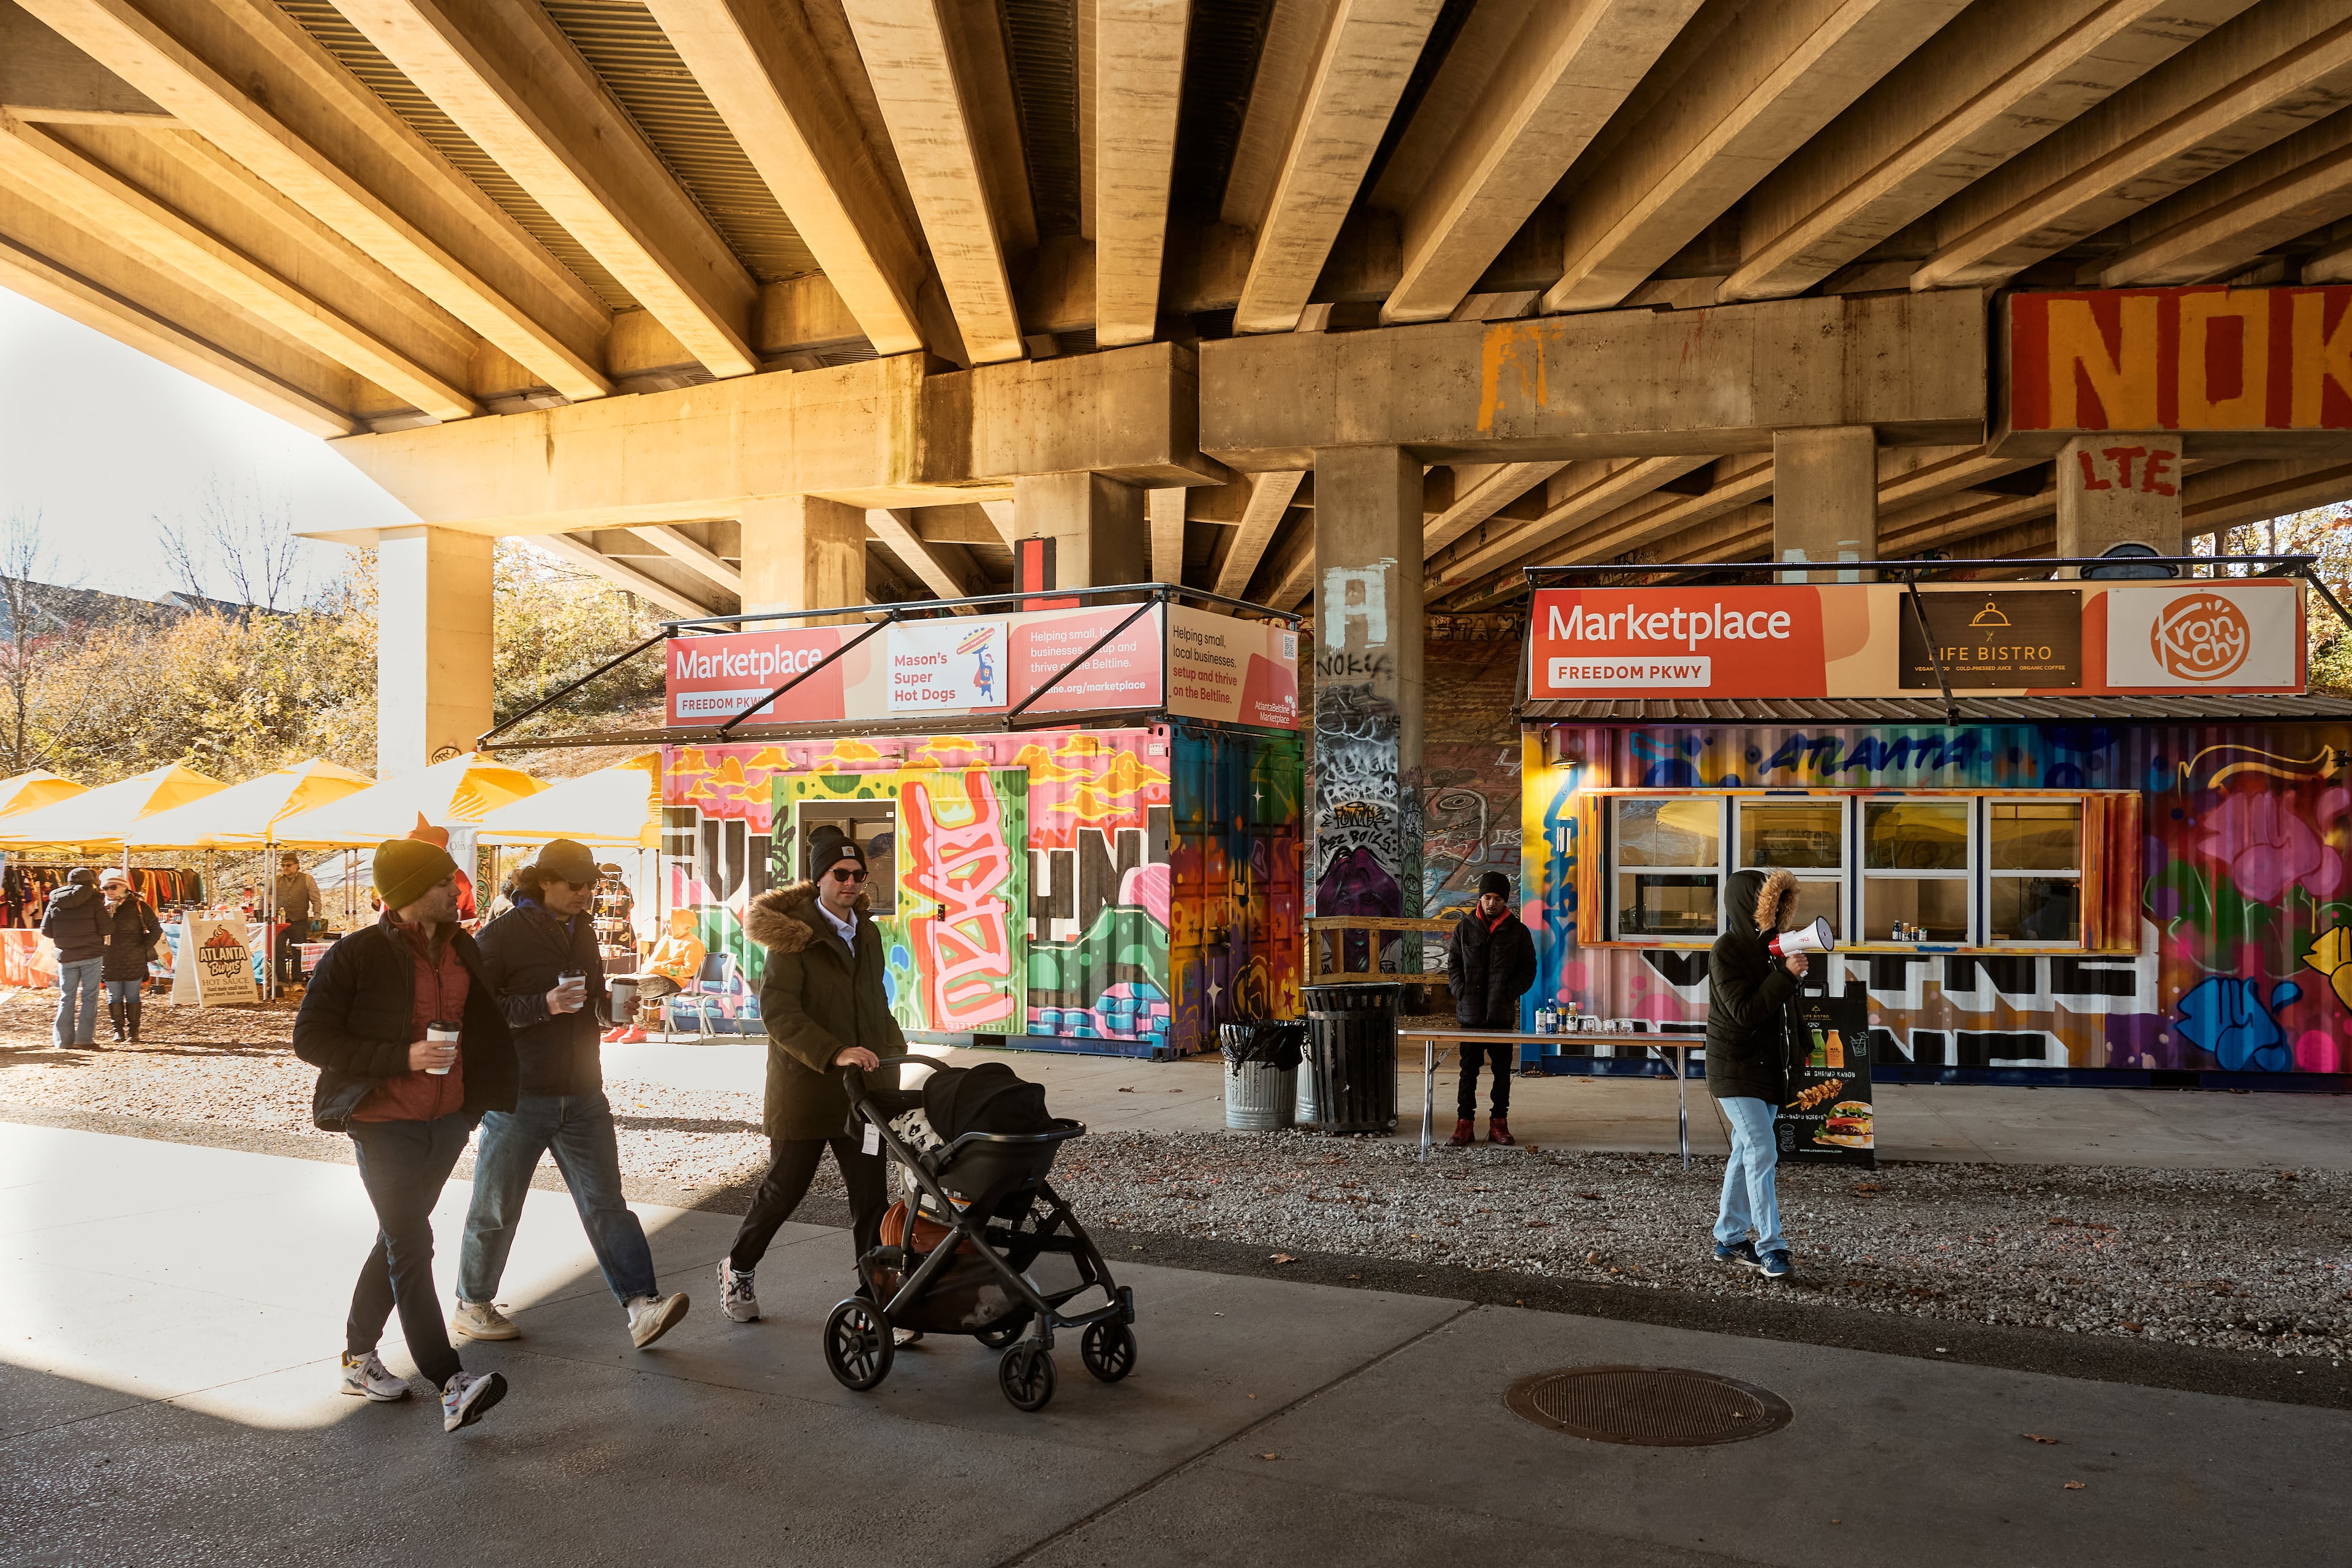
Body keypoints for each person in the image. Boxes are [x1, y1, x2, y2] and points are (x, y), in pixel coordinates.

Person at [293, 837, 518, 1433]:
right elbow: (311, 1039)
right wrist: (405, 1056)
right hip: (382, 1124)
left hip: (445, 1126)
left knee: (397, 1243)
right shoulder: (357, 955)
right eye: (446, 881)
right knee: (412, 1246)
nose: (457, 889)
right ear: (412, 892)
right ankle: (451, 1381)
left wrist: (472, 1111)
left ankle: (357, 1358)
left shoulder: (463, 951)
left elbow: (485, 1032)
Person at [453, 839, 689, 1351]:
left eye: (591, 885)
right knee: (496, 1205)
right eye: (576, 886)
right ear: (545, 883)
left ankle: (640, 1306)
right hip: (519, 1094)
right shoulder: (501, 935)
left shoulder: (581, 929)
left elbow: (590, 1001)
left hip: (584, 1090)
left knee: (608, 1203)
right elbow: (479, 1011)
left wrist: (615, 1009)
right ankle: (472, 1302)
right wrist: (543, 1004)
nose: (586, 894)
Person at [717, 831, 904, 1333]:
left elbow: (874, 1003)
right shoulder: (793, 934)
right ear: (819, 878)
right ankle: (739, 1269)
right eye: (839, 874)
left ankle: (878, 1300)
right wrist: (834, 1051)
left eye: (857, 874)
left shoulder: (866, 931)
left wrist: (893, 1057)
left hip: (861, 1091)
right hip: (805, 1086)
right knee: (784, 1189)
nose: (849, 882)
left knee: (871, 1197)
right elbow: (778, 1011)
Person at [1707, 867, 1806, 1283]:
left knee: (1745, 1153)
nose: (1778, 910)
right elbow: (1745, 1012)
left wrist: (1800, 1052)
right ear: (1752, 903)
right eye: (1771, 900)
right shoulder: (1726, 949)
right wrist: (1785, 977)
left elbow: (1781, 1011)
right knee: (1762, 1150)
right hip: (1734, 1068)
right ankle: (1771, 1246)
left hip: (1766, 1069)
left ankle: (1729, 1239)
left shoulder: (1773, 949)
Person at [1444, 870, 1538, 1147]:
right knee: (1468, 1071)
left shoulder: (1518, 931)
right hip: (1470, 1016)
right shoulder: (1464, 928)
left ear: (1505, 901)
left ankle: (1499, 1123)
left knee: (1501, 1072)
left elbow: (1528, 968)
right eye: (1487, 897)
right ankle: (1465, 1124)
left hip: (1501, 1015)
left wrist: (1510, 992)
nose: (1491, 903)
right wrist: (1460, 991)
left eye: (1497, 898)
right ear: (1480, 898)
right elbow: (1453, 965)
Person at [601, 907, 706, 1046]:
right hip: (650, 975)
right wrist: (652, 967)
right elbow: (653, 962)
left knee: (634, 987)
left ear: (681, 923)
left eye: (670, 922)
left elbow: (688, 971)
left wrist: (664, 969)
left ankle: (639, 1029)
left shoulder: (693, 943)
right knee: (612, 983)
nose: (666, 926)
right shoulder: (666, 940)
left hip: (670, 981)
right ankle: (621, 1026)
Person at [40, 867, 107, 1048]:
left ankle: (63, 1041)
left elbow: (46, 930)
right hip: (91, 954)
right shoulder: (95, 900)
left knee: (66, 997)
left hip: (66, 954)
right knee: (90, 996)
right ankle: (84, 1040)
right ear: (90, 881)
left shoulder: (55, 899)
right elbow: (108, 928)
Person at [97, 870, 162, 1043]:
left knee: (133, 996)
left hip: (134, 958)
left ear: (124, 886)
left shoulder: (139, 906)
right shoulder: (101, 908)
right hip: (110, 959)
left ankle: (134, 1032)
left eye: (113, 887)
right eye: (105, 888)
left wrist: (142, 949)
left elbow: (156, 930)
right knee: (114, 996)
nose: (109, 891)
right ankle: (118, 1031)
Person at [274, 852, 323, 986]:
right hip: (280, 922)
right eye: (283, 865)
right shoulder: (276, 880)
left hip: (299, 920)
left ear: (297, 866)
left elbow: (316, 899)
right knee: (278, 951)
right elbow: (265, 898)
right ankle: (282, 981)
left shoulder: (307, 879)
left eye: (289, 865)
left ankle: (297, 980)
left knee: (298, 951)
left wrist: (317, 916)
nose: (285, 868)